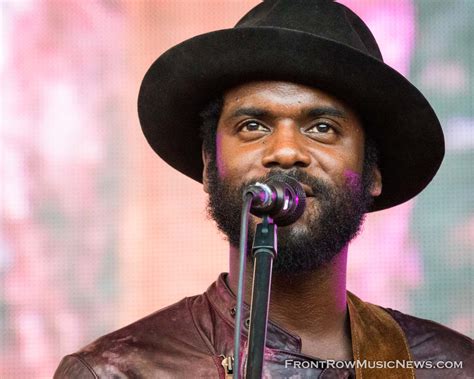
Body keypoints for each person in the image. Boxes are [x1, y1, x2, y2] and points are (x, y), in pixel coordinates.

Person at [54, 1, 473, 378]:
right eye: (252, 126)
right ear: (208, 161)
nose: (286, 151)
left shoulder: (451, 367)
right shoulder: (116, 373)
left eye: (322, 128)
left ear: (373, 172)